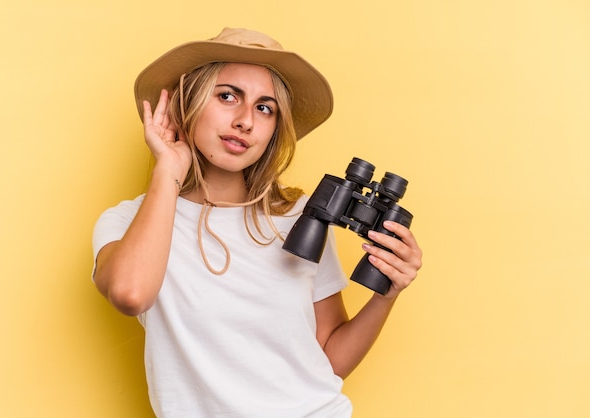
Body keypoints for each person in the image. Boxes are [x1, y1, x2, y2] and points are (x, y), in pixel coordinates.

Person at [92, 27, 422, 418]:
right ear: (188, 106)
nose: (246, 121)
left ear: (273, 130)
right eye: (227, 96)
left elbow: (328, 359)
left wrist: (387, 294)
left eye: (265, 108)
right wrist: (169, 170)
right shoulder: (128, 221)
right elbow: (131, 295)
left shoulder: (299, 215)